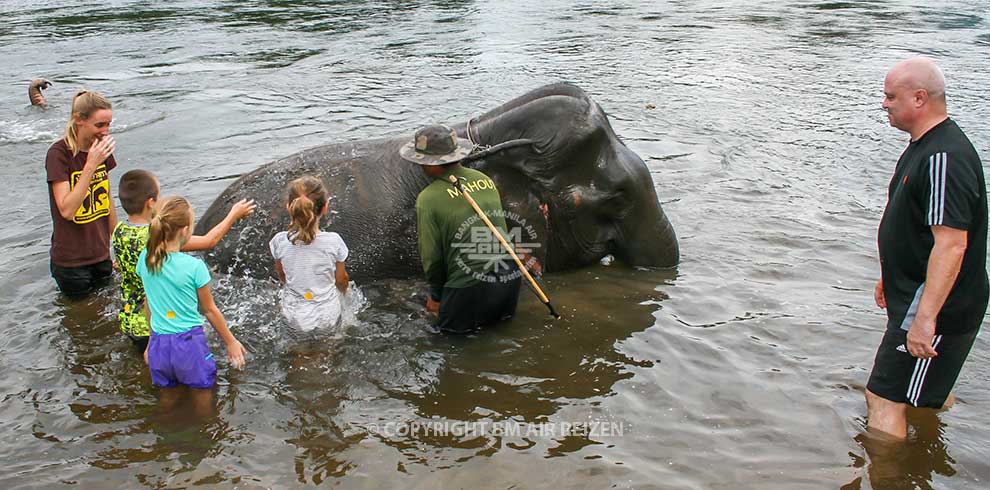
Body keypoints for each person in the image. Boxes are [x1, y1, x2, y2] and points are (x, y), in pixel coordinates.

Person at [866, 57, 988, 439]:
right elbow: (915, 228)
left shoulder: (943, 158)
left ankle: (892, 474)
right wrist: (890, 277)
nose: (883, 104)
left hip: (935, 306)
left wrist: (924, 320)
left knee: (884, 399)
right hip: (921, 299)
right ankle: (931, 452)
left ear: (919, 98)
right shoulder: (926, 146)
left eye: (890, 97)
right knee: (923, 395)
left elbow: (952, 245)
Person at [113, 170, 256, 349]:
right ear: (150, 203)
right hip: (158, 324)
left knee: (155, 367)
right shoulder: (156, 237)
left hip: (129, 319)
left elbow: (123, 264)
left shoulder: (119, 230)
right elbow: (208, 241)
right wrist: (233, 215)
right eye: (159, 196)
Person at [400, 124, 522, 334]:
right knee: (500, 330)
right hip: (509, 276)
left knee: (450, 342)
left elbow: (432, 259)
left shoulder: (427, 199)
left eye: (422, 162)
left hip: (468, 288)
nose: (419, 166)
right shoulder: (484, 180)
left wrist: (436, 298)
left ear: (433, 164)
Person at [138, 196, 247, 415]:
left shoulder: (145, 259)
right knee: (202, 393)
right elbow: (209, 310)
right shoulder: (194, 266)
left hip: (159, 344)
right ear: (185, 230)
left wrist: (150, 342)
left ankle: (164, 431)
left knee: (167, 395)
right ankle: (205, 431)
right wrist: (231, 342)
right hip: (188, 345)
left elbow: (148, 302)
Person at [45, 89, 118, 298]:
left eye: (108, 124)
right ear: (79, 120)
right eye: (99, 125)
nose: (105, 132)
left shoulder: (101, 149)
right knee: (79, 322)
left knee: (104, 316)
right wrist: (90, 165)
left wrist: (119, 243)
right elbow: (67, 210)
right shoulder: (59, 154)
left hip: (101, 254)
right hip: (71, 263)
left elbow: (107, 198)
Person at [269, 176, 350, 331]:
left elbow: (282, 275)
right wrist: (346, 294)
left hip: (294, 314)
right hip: (328, 314)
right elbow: (341, 279)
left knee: (299, 352)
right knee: (332, 351)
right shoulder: (334, 241)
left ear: (289, 207)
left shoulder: (279, 241)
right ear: (325, 207)